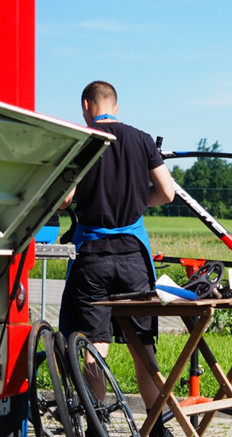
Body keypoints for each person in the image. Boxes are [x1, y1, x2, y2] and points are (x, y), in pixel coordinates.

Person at [59, 80, 175, 437]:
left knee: (94, 343)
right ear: (116, 107)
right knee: (143, 345)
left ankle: (97, 424)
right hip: (133, 257)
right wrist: (138, 203)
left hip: (92, 255)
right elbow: (168, 193)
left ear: (86, 105)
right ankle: (156, 427)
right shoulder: (141, 139)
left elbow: (66, 199)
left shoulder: (83, 137)